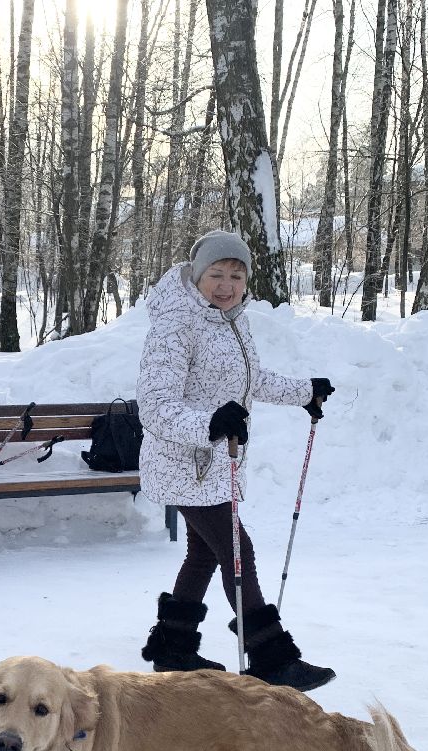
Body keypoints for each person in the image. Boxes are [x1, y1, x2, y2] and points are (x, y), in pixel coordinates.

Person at [136, 229, 336, 692]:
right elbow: (156, 404)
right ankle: (270, 656)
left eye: (236, 275)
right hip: (184, 464)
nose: (226, 284)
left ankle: (172, 647)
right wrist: (210, 423)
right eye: (216, 274)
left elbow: (250, 379)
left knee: (204, 553)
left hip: (214, 463)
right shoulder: (175, 324)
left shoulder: (231, 319)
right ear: (196, 274)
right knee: (237, 551)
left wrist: (304, 391)